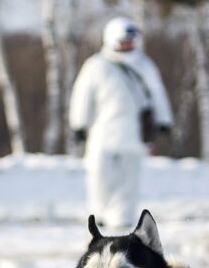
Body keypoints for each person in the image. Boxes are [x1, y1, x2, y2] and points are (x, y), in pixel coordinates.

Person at [69, 16, 173, 231]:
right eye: (124, 39)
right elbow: (82, 95)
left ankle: (121, 217)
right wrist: (79, 123)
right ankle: (99, 213)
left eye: (131, 40)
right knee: (99, 175)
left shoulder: (144, 64)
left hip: (134, 133)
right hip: (103, 131)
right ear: (112, 39)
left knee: (129, 178)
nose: (129, 44)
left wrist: (164, 120)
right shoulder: (97, 65)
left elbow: (157, 93)